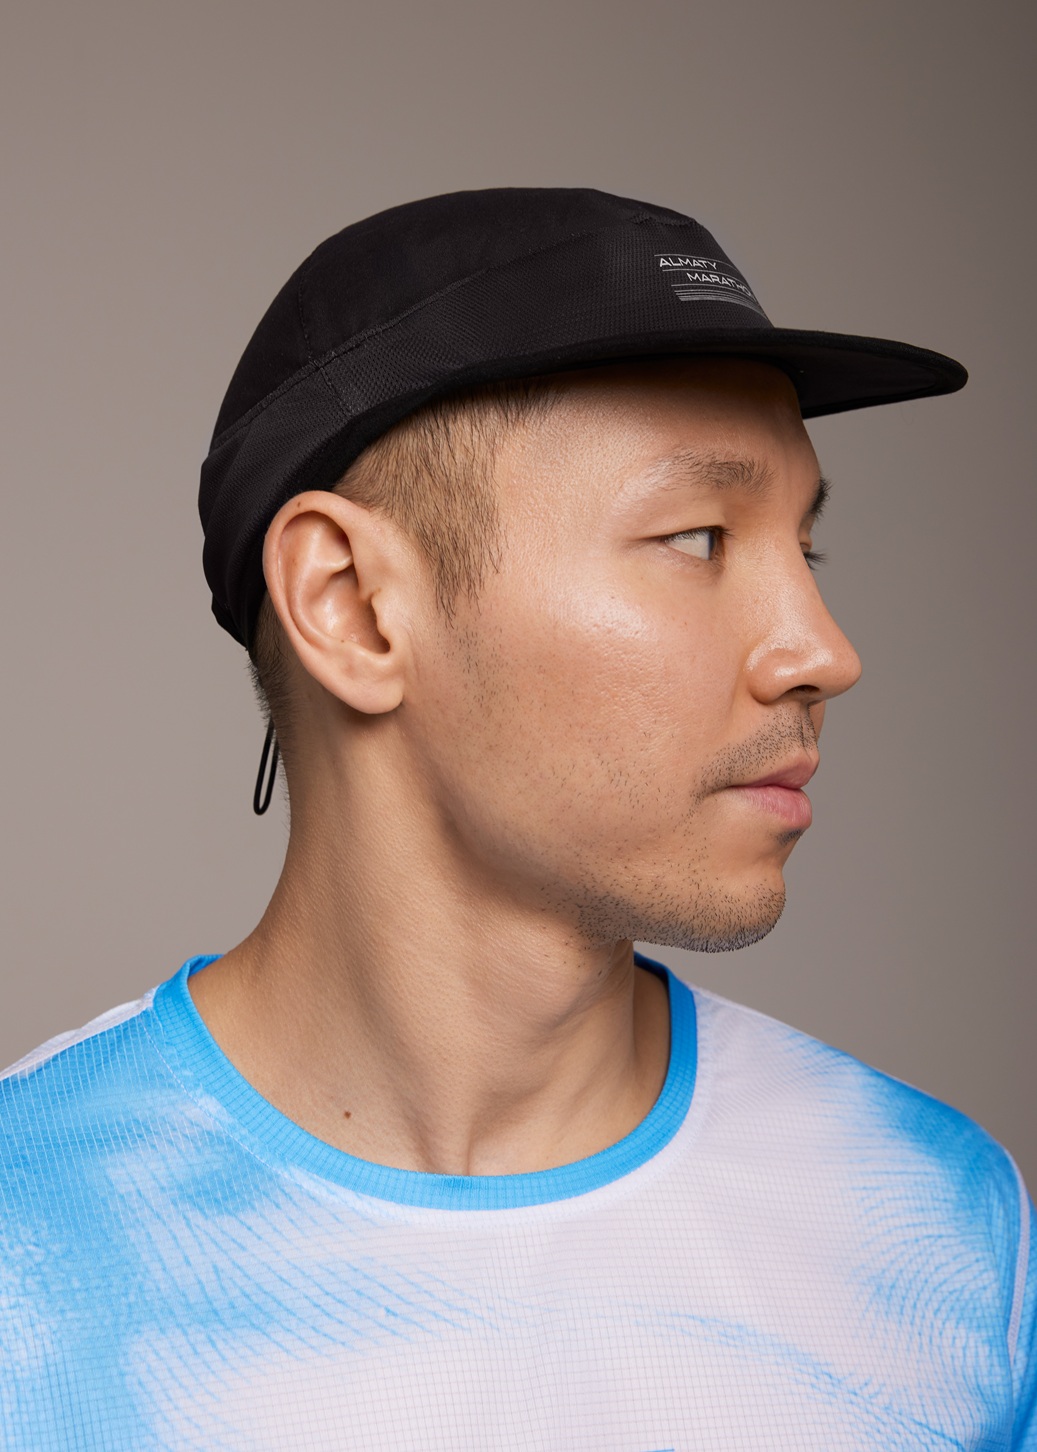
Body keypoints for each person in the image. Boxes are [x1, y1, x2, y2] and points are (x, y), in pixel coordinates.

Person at [1, 187, 1031, 1450]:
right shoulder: (24, 1245)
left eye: (802, 551)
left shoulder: (939, 1227)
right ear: (350, 605)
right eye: (697, 538)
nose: (821, 651)